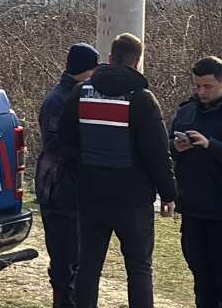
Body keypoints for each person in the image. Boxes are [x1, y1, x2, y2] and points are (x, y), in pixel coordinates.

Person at [61, 33, 177, 308]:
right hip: (133, 200)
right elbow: (157, 154)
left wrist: (86, 167)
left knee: (88, 266)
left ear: (110, 58)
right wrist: (169, 194)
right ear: (138, 63)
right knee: (139, 269)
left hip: (91, 195)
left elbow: (65, 143)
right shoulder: (142, 99)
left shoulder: (81, 92)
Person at [37, 43, 100, 308]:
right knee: (64, 262)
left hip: (72, 189)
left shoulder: (74, 94)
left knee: (77, 259)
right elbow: (56, 145)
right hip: (59, 190)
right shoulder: (58, 101)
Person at [171, 56, 222, 308]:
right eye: (198, 86)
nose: (201, 91)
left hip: (219, 212)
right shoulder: (186, 111)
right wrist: (176, 147)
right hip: (192, 210)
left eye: (208, 86)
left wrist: (210, 145)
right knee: (201, 280)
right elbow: (165, 147)